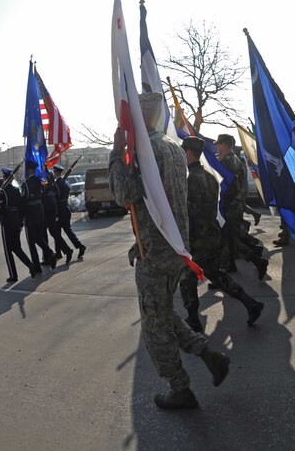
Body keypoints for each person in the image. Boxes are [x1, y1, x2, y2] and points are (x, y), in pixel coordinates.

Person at [108, 92, 230, 410]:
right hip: (175, 247)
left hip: (157, 253)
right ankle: (207, 354)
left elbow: (124, 193)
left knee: (154, 326)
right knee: (162, 313)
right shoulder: (172, 147)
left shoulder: (146, 151)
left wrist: (115, 153)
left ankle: (180, 389)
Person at [178, 136, 265, 332]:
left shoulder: (191, 180)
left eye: (184, 151)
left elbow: (190, 210)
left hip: (197, 239)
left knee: (186, 280)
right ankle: (251, 304)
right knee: (217, 276)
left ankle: (193, 319)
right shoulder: (210, 177)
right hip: (211, 234)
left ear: (189, 152)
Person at [215, 134, 268, 280]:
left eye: (218, 144)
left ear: (225, 145)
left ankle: (257, 261)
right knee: (231, 236)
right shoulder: (235, 159)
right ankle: (231, 265)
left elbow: (225, 185)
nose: (216, 147)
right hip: (235, 203)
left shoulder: (227, 162)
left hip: (230, 204)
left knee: (229, 237)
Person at [0, 167, 37, 280]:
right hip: (17, 221)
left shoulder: (3, 191)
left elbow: (2, 209)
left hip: (7, 222)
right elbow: (22, 207)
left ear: (5, 178)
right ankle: (30, 265)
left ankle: (13, 275)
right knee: (17, 247)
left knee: (8, 250)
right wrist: (21, 221)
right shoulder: (16, 189)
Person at [21, 160, 57, 271]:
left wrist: (22, 217)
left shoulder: (25, 184)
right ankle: (48, 255)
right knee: (40, 236)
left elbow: (23, 201)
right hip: (40, 211)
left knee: (32, 240)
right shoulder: (40, 181)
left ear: (28, 170)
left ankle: (42, 261)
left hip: (31, 212)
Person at [53, 163, 86, 260]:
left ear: (56, 172)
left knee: (57, 232)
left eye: (54, 172)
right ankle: (78, 246)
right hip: (66, 207)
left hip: (60, 209)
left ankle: (62, 251)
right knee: (66, 230)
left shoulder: (57, 184)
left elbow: (55, 197)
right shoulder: (65, 183)